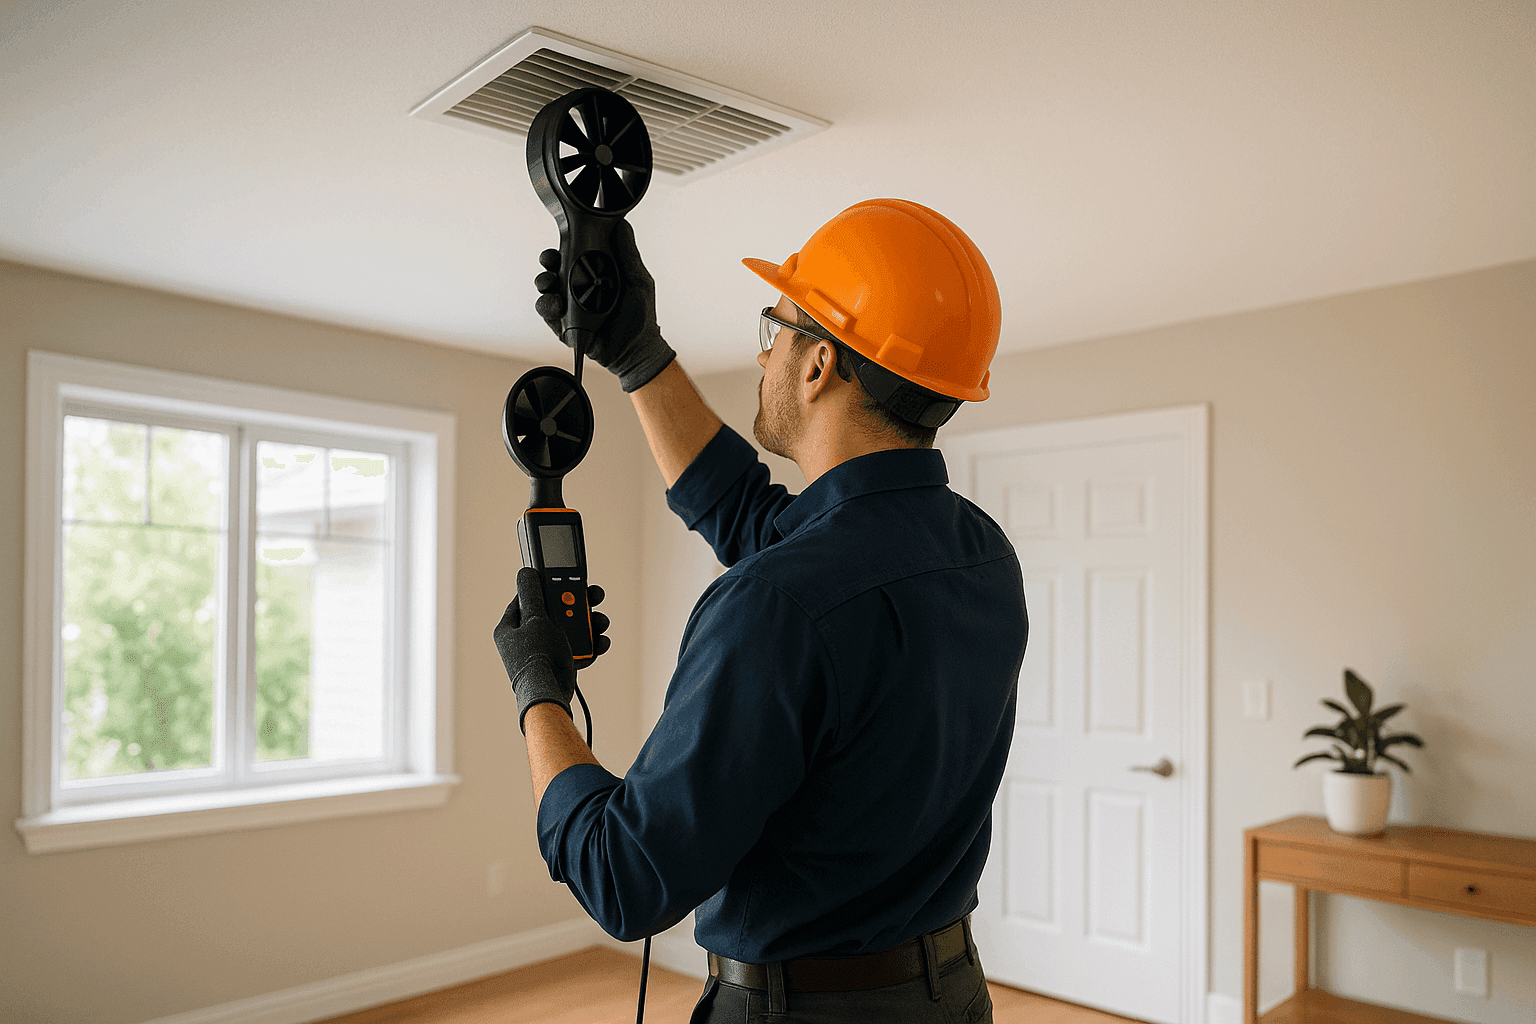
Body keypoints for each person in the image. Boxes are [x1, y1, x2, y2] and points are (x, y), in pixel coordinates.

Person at [495, 198, 1028, 1023]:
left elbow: (623, 876)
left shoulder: (778, 602)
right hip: (949, 996)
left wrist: (539, 688)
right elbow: (751, 516)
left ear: (817, 364)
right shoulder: (983, 553)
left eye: (773, 327)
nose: (761, 351)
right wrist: (637, 353)